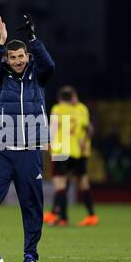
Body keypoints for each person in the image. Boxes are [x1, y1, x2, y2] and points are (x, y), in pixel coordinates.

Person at [0, 14, 55, 262]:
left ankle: (31, 256)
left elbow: (49, 66)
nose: (18, 61)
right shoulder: (0, 78)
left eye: (21, 56)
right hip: (2, 151)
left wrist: (33, 39)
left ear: (27, 57)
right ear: (7, 60)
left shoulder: (39, 77)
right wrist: (0, 43)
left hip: (29, 152)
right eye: (13, 57)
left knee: (31, 207)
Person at [43, 86, 99, 227]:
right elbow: (88, 129)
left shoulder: (58, 109)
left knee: (60, 184)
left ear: (60, 98)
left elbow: (53, 129)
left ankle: (57, 215)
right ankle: (85, 215)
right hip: (76, 151)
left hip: (61, 150)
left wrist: (47, 145)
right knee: (75, 182)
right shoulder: (79, 110)